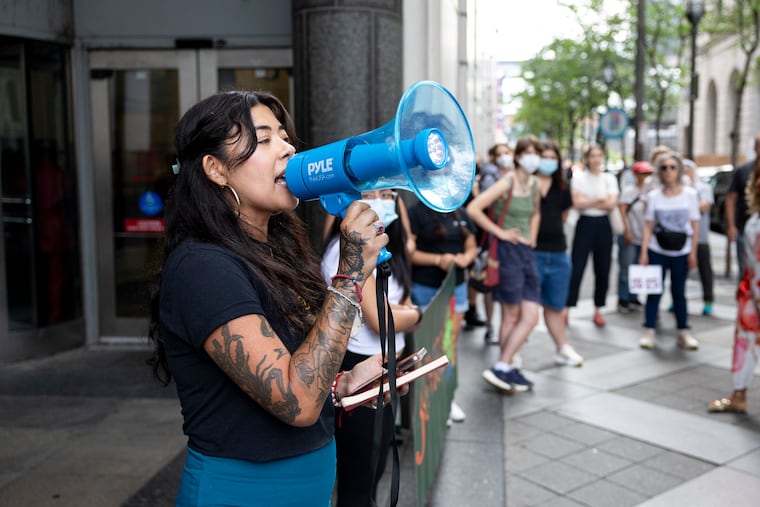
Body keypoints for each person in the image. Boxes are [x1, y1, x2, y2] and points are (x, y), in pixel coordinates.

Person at [145, 90, 399, 506]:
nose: (287, 148)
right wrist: (350, 275)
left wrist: (341, 386)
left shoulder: (275, 252)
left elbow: (291, 372)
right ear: (215, 169)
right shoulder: (203, 268)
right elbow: (295, 401)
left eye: (284, 136)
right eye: (263, 140)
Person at [321, 189, 422, 506]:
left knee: (375, 466)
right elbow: (382, 319)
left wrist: (402, 313)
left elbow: (396, 305)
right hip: (356, 368)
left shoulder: (388, 248)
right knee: (359, 477)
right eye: (371, 191)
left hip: (382, 365)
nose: (381, 199)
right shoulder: (348, 252)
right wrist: (417, 314)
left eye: (389, 192)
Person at [467, 136, 542, 392]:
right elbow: (474, 208)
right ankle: (505, 366)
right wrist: (500, 233)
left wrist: (531, 237)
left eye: (537, 153)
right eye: (529, 153)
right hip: (507, 252)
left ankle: (504, 365)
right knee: (511, 314)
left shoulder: (534, 184)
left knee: (531, 316)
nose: (534, 158)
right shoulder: (506, 182)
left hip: (525, 253)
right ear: (518, 156)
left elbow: (536, 212)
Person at [408, 202, 477, 423]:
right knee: (429, 344)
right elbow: (409, 252)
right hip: (426, 287)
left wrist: (465, 259)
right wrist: (439, 260)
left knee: (450, 342)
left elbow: (471, 246)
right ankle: (429, 400)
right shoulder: (416, 212)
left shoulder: (460, 211)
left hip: (456, 287)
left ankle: (447, 399)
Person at [709, 161, 760, 413]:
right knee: (745, 341)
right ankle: (739, 394)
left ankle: (739, 394)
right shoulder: (755, 221)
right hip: (752, 294)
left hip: (754, 294)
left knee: (747, 341)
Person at [638, 151, 701, 350]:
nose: (669, 171)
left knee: (679, 292)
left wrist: (693, 252)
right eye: (664, 167)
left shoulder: (690, 195)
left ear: (679, 170)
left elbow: (694, 225)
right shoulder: (654, 196)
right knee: (654, 291)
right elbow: (648, 225)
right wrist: (644, 251)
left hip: (681, 251)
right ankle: (649, 330)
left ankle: (683, 331)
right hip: (658, 249)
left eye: (673, 167)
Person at [534, 140, 583, 367]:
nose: (549, 161)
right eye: (544, 156)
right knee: (524, 309)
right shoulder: (528, 182)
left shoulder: (562, 187)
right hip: (532, 252)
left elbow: (564, 215)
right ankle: (512, 354)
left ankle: (562, 347)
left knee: (555, 305)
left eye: (553, 158)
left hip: (558, 252)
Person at [566, 144, 619, 327]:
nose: (596, 159)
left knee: (603, 268)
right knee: (577, 266)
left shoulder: (609, 179)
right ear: (587, 159)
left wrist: (589, 201)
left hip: (604, 225)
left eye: (599, 155)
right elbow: (577, 203)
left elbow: (611, 204)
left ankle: (598, 309)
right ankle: (567, 307)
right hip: (585, 224)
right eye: (592, 156)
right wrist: (599, 200)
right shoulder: (579, 178)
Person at [467, 142, 513, 338]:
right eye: (500, 153)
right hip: (491, 236)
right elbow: (482, 207)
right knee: (489, 281)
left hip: (507, 237)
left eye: (507, 152)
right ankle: (491, 325)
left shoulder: (513, 174)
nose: (505, 156)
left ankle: (502, 326)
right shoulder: (491, 177)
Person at [617, 161, 653, 312]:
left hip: (643, 236)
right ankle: (623, 298)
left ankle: (634, 297)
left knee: (639, 268)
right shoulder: (629, 191)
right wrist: (627, 231)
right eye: (642, 173)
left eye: (647, 174)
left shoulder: (651, 193)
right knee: (626, 267)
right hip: (630, 235)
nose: (645, 177)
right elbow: (622, 212)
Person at [726, 134, 760, 279]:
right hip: (746, 228)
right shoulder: (744, 170)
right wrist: (731, 225)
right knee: (746, 272)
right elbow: (730, 198)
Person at [683, 158, 715, 315]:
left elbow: (702, 206)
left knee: (705, 270)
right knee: (680, 271)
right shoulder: (680, 189)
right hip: (683, 238)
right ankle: (679, 300)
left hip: (700, 237)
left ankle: (708, 300)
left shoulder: (703, 188)